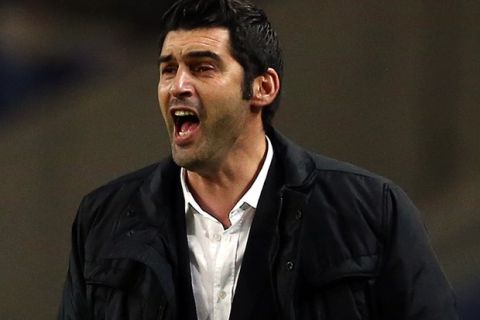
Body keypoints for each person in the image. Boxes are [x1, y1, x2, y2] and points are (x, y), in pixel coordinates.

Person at [58, 0, 458, 319]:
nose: (178, 86)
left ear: (262, 88)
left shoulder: (372, 211)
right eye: (168, 70)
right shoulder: (103, 220)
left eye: (202, 67)